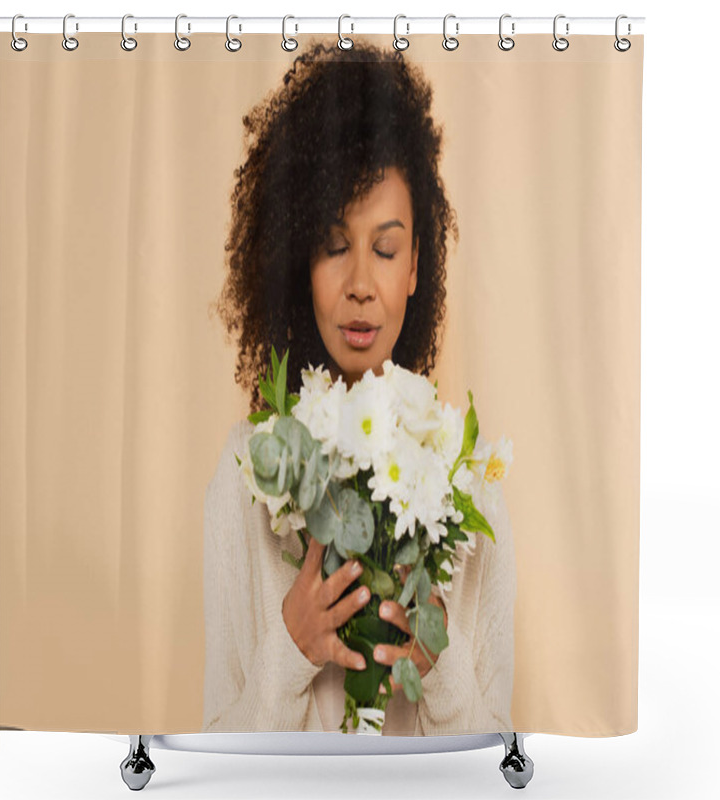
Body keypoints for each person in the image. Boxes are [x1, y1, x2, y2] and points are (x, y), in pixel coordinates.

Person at [202, 41, 517, 735]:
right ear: (297, 262)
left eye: (385, 248)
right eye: (333, 245)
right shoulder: (244, 472)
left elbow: (504, 755)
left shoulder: (470, 479)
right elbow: (211, 750)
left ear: (415, 268)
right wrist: (289, 649)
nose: (360, 287)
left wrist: (441, 666)